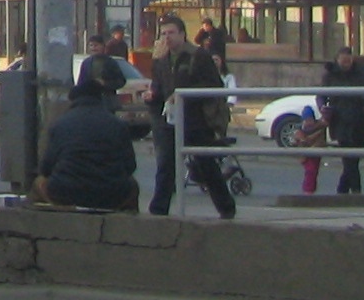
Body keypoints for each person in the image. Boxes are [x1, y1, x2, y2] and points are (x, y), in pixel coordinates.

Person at [146, 14, 235, 219]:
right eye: (163, 34)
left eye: (171, 33)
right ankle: (158, 210)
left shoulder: (198, 56)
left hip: (195, 119)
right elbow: (158, 87)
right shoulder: (161, 59)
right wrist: (152, 96)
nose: (167, 37)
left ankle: (226, 208)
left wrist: (184, 95)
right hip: (170, 119)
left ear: (182, 34)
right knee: (166, 164)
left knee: (205, 164)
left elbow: (214, 86)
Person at [30, 79, 138, 211]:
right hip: (111, 195)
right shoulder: (118, 124)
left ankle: (42, 221)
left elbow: (46, 169)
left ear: (73, 100)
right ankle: (126, 222)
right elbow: (130, 166)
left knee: (39, 183)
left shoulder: (60, 124)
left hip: (65, 193)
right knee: (132, 186)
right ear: (100, 98)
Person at [319, 46, 364, 196]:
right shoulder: (330, 75)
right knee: (349, 159)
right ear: (337, 60)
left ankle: (342, 192)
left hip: (359, 120)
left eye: (349, 61)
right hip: (340, 121)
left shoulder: (363, 72)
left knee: (353, 159)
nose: (346, 64)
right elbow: (321, 95)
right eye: (343, 61)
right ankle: (356, 192)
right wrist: (323, 108)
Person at [77, 34, 127, 101]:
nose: (93, 48)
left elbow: (121, 81)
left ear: (103, 46)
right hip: (90, 100)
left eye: (96, 45)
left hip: (107, 100)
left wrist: (105, 83)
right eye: (91, 45)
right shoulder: (86, 63)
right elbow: (80, 82)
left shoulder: (110, 62)